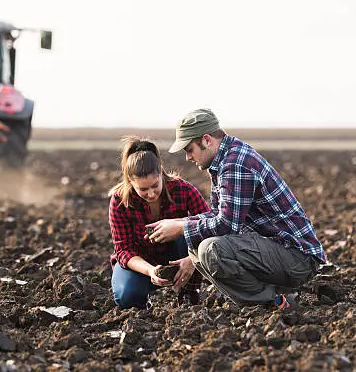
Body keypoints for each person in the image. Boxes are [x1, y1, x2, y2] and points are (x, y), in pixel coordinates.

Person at [147, 108, 327, 310]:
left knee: (210, 250)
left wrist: (181, 228)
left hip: (298, 258)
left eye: (189, 149)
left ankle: (274, 303)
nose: (188, 157)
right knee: (197, 245)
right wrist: (180, 223)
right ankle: (273, 295)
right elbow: (218, 214)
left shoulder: (235, 164)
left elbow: (226, 225)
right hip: (277, 250)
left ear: (206, 140)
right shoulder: (223, 159)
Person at [108, 136, 210, 309]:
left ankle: (188, 294)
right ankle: (142, 303)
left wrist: (192, 260)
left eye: (155, 185)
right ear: (130, 181)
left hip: (179, 255)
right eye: (143, 189)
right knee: (127, 296)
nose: (151, 193)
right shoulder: (119, 201)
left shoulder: (183, 190)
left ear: (161, 172)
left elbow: (211, 224)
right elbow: (123, 250)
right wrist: (150, 271)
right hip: (141, 261)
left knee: (190, 228)